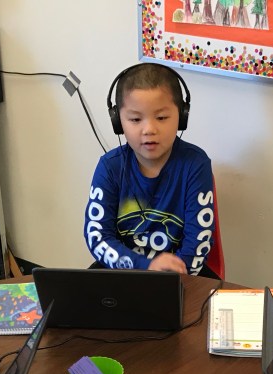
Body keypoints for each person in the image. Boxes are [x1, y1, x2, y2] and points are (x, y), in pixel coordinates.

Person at [83, 62, 221, 277]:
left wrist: (170, 277)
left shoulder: (195, 165)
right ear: (118, 121)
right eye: (135, 119)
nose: (149, 129)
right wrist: (144, 267)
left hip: (181, 274)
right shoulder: (110, 167)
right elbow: (98, 236)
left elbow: (198, 242)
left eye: (162, 117)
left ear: (182, 116)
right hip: (123, 271)